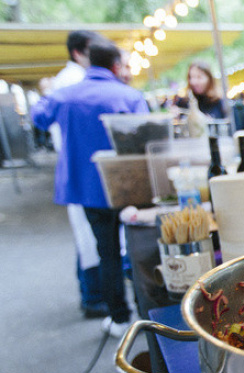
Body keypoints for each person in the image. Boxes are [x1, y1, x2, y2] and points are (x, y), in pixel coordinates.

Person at [31, 38, 150, 337]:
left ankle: (120, 319)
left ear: (87, 61)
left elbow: (39, 117)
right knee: (138, 249)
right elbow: (148, 139)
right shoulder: (130, 95)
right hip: (130, 186)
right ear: (115, 65)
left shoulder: (65, 95)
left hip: (89, 189)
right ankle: (147, 313)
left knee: (106, 252)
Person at [48, 30, 107, 319]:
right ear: (79, 52)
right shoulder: (72, 82)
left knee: (89, 238)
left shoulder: (72, 81)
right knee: (92, 238)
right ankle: (93, 297)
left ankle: (93, 294)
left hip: (81, 170)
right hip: (85, 170)